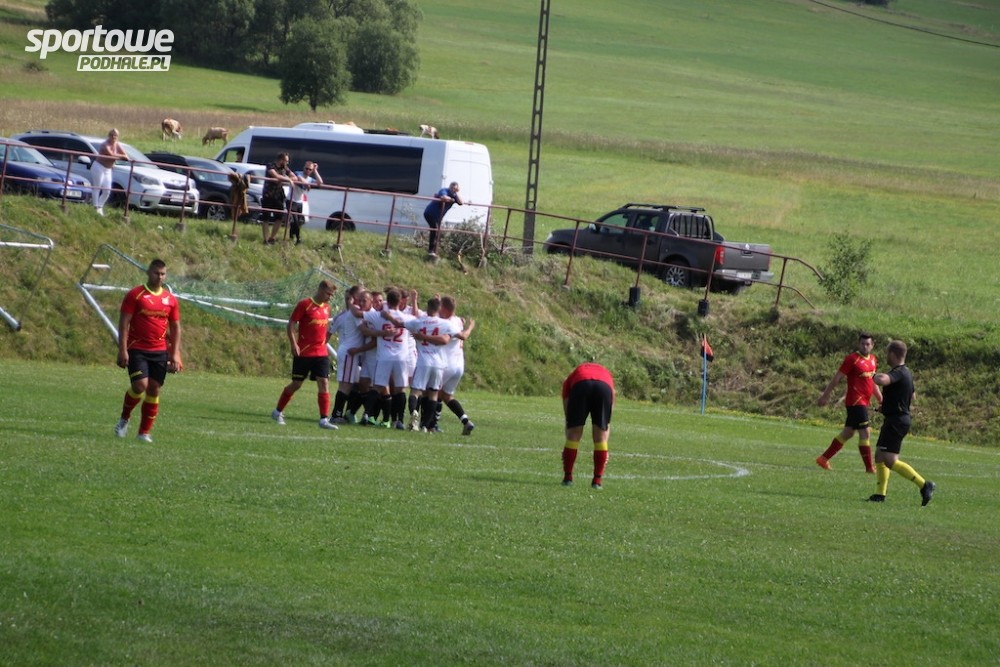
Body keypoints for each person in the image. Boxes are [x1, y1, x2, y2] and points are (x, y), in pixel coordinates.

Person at [114, 259, 183, 443]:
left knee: (154, 389)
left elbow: (175, 327)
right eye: (156, 273)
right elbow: (124, 323)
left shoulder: (170, 299)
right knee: (140, 386)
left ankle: (144, 432)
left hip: (159, 351)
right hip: (137, 348)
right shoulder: (135, 295)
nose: (159, 277)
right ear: (148, 273)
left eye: (162, 274)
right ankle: (124, 419)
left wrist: (175, 354)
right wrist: (122, 350)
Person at [868, 340, 935, 505]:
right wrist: (888, 406)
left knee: (890, 460)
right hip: (896, 419)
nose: (886, 356)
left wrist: (871, 374)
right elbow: (912, 396)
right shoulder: (907, 373)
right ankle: (879, 494)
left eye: (887, 353)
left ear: (893, 354)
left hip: (897, 421)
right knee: (880, 455)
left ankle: (924, 485)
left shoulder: (899, 372)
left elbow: (882, 380)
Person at [271, 280, 339, 430]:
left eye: (331, 295)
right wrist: (293, 344)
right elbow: (291, 324)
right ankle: (277, 411)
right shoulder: (305, 304)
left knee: (324, 382)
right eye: (328, 294)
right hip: (304, 352)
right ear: (320, 290)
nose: (330, 297)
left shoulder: (326, 308)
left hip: (321, 352)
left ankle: (323, 419)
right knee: (296, 384)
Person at [816, 332, 883, 473]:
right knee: (865, 432)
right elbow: (837, 378)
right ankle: (869, 468)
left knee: (848, 433)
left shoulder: (873, 359)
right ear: (858, 344)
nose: (865, 346)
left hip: (864, 402)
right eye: (862, 344)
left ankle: (823, 459)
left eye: (868, 344)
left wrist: (880, 399)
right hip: (855, 401)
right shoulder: (852, 359)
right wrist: (825, 396)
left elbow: (873, 382)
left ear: (872, 345)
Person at [404, 297, 459, 431]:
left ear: (427, 307)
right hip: (438, 363)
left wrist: (388, 316)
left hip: (423, 362)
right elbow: (458, 336)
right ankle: (425, 425)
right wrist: (468, 327)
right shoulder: (445, 324)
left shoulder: (418, 322)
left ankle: (414, 413)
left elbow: (401, 323)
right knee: (433, 394)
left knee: (415, 392)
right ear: (439, 309)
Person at [561, 362, 616, 490]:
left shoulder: (570, 379)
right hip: (604, 387)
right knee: (600, 437)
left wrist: (569, 439)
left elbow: (568, 417)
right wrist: (604, 447)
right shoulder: (607, 376)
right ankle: (597, 481)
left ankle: (568, 478)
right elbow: (607, 422)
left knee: (574, 434)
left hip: (581, 385)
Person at [434, 295, 476, 435]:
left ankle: (433, 424)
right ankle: (466, 422)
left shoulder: (446, 324)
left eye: (440, 307)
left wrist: (470, 328)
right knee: (447, 396)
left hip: (447, 364)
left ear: (445, 309)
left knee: (434, 393)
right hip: (459, 366)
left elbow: (463, 336)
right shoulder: (458, 320)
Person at [328, 286, 368, 424]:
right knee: (345, 385)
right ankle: (336, 414)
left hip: (350, 352)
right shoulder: (354, 312)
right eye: (361, 295)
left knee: (354, 384)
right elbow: (364, 330)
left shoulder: (347, 313)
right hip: (349, 352)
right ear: (355, 297)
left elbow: (328, 334)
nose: (362, 298)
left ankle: (348, 413)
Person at [261, 152, 296, 245]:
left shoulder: (285, 168)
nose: (287, 163)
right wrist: (288, 179)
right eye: (286, 161)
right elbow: (275, 175)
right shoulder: (270, 166)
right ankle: (265, 239)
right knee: (266, 218)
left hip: (279, 195)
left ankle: (272, 238)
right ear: (281, 160)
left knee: (279, 218)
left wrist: (287, 178)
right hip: (268, 195)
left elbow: (294, 177)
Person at [422, 181, 465, 257]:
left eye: (455, 189)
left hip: (438, 217)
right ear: (450, 187)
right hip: (430, 213)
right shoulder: (444, 190)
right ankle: (431, 251)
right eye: (452, 188)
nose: (453, 190)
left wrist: (456, 194)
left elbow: (461, 202)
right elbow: (443, 197)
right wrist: (451, 199)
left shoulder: (454, 195)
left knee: (437, 231)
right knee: (434, 229)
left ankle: (434, 250)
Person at [91, 128, 127, 216]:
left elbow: (126, 156)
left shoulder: (117, 144)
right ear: (109, 135)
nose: (114, 137)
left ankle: (100, 206)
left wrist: (118, 156)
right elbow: (110, 154)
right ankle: (95, 207)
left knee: (107, 190)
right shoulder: (105, 144)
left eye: (116, 135)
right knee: (97, 187)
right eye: (112, 135)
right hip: (99, 167)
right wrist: (121, 156)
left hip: (108, 169)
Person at [289, 161, 322, 245]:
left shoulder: (310, 179)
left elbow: (320, 183)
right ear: (303, 167)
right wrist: (307, 184)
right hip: (291, 200)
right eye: (306, 168)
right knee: (295, 220)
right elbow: (299, 178)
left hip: (299, 202)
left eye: (310, 170)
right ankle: (298, 239)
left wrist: (315, 171)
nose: (307, 171)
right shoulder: (297, 173)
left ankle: (291, 236)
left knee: (298, 221)